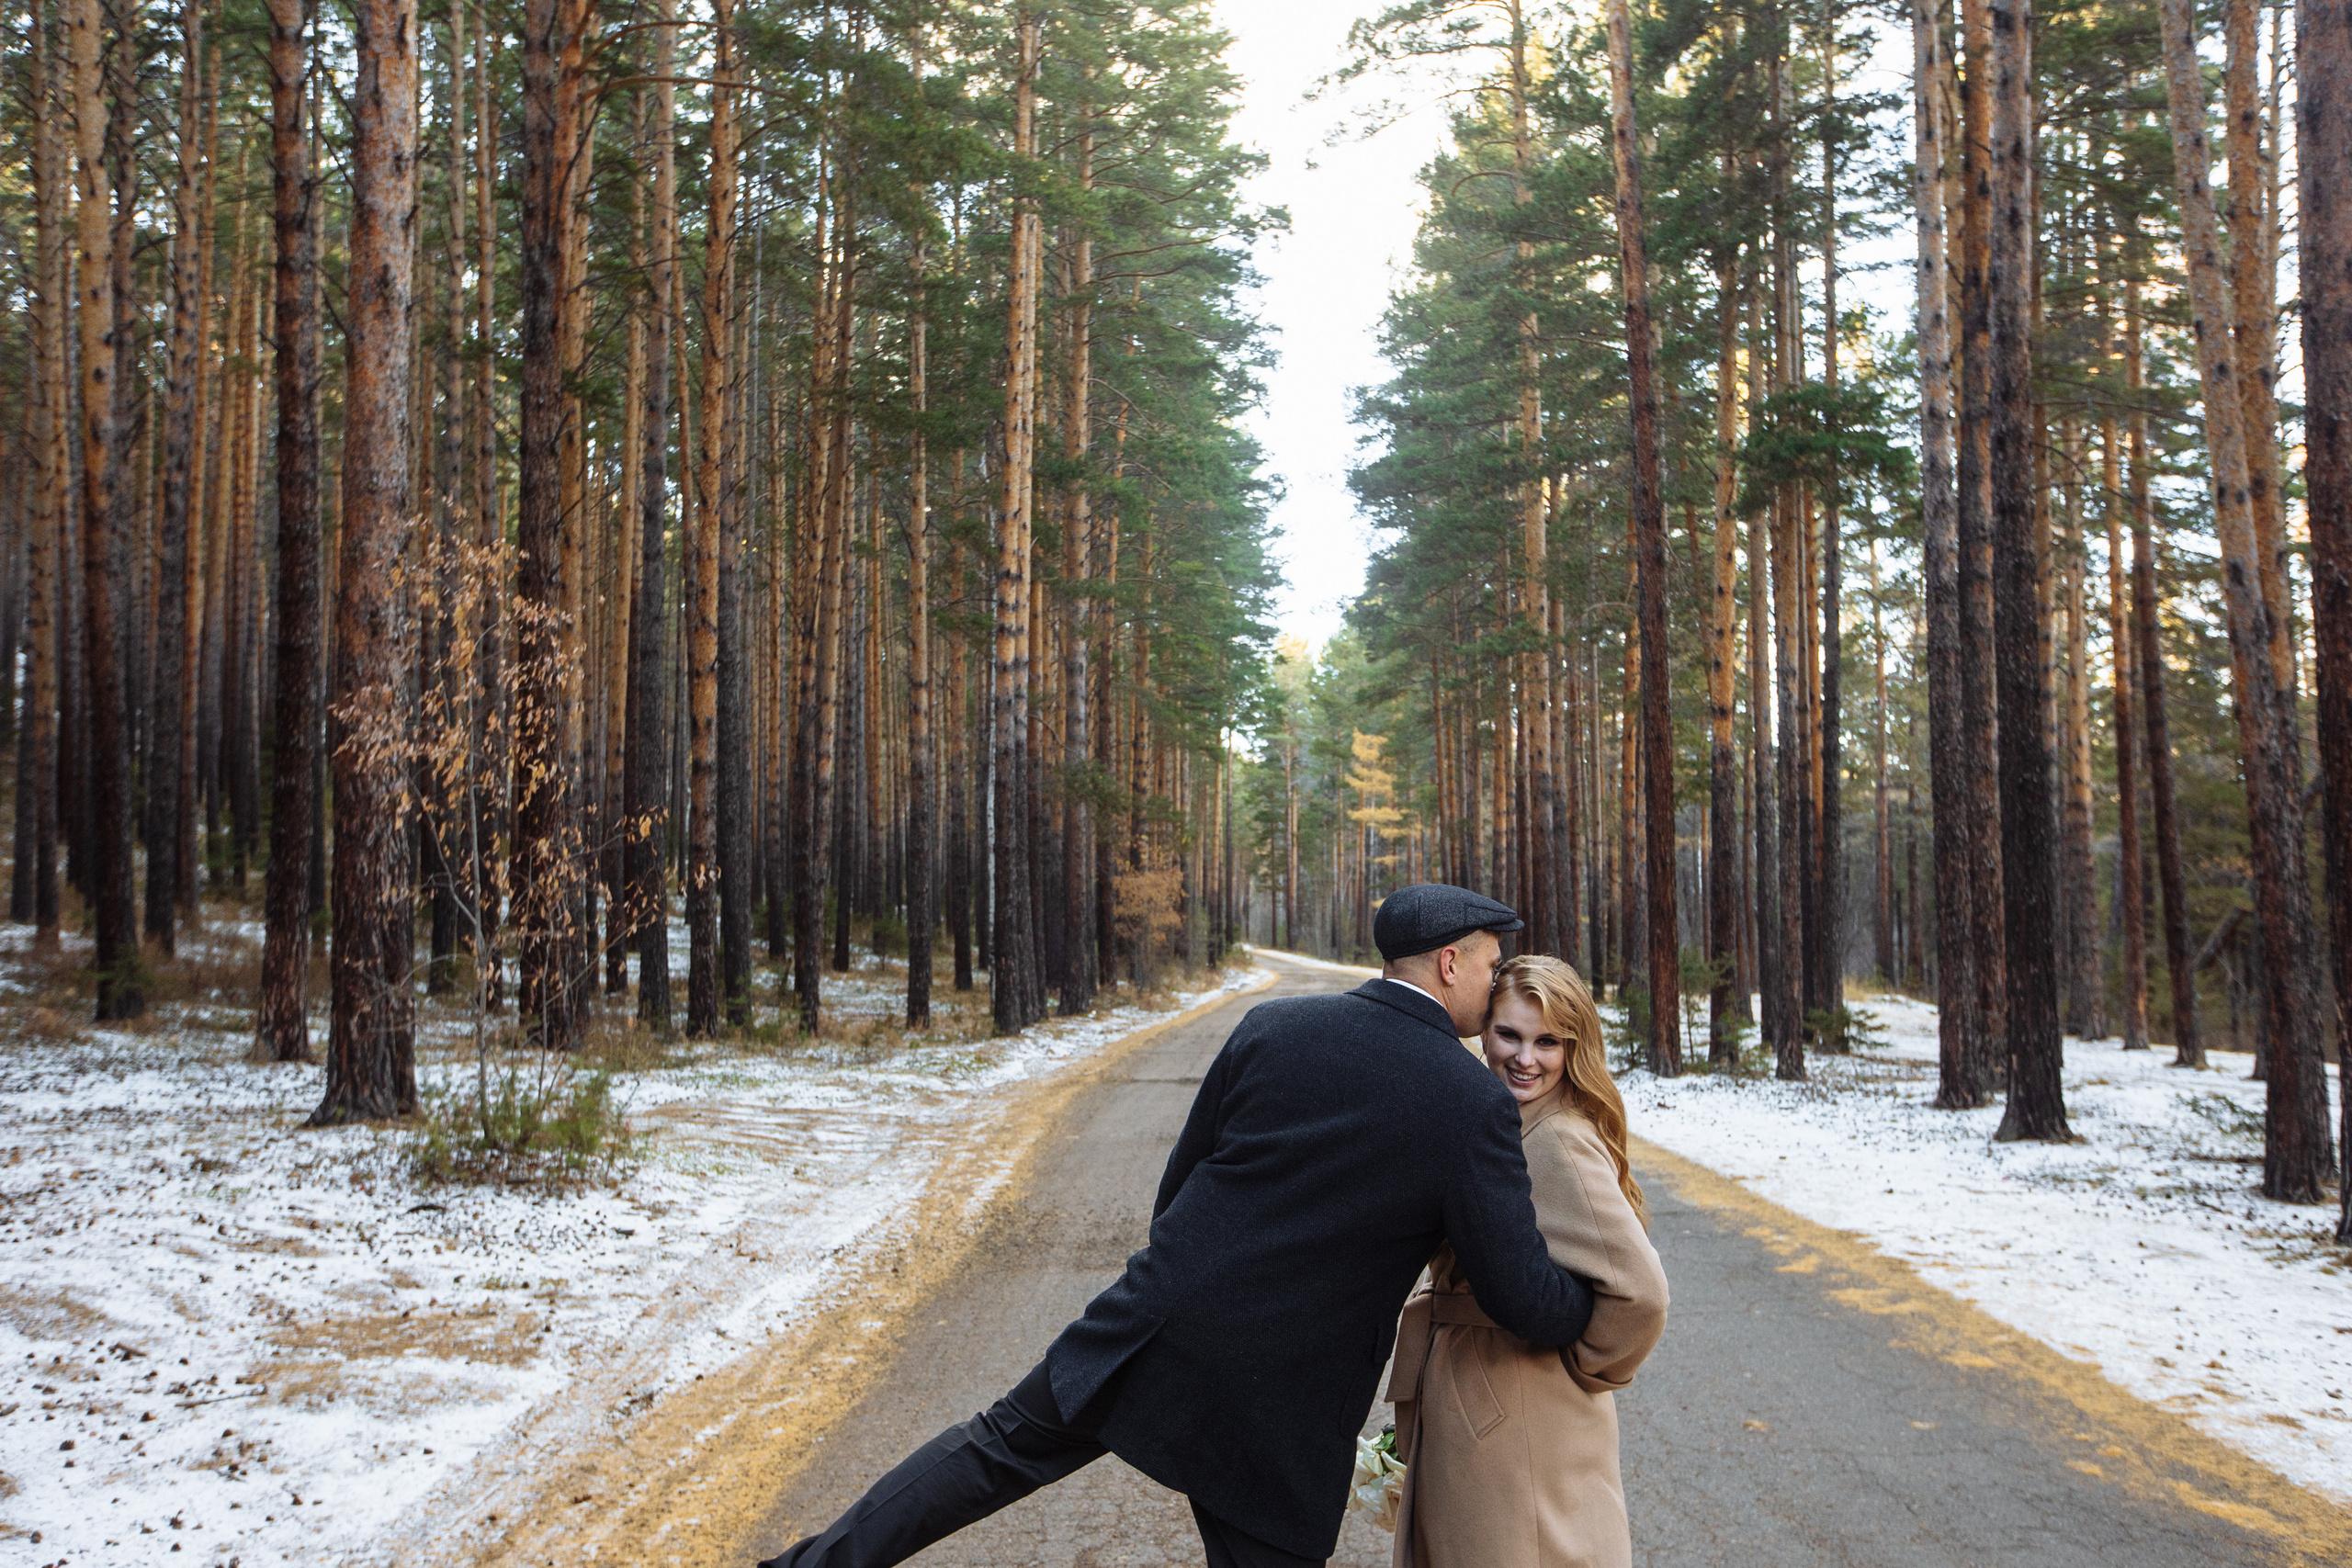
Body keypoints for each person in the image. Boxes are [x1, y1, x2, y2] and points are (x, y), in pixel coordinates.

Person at [759, 884, 1598, 1568]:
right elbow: (1518, 1292)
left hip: (1158, 1317)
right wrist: (1592, 1309)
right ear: (1450, 962)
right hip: (1282, 1396)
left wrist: (1182, 1283)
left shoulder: (1275, 1026)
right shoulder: (1472, 1101)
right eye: (1491, 966)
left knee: (994, 1449)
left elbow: (1180, 1184)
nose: (1495, 985)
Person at [1385, 954, 1669, 1568]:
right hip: (1479, 1395)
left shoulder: (1558, 1139)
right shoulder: (1498, 1121)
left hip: (1521, 1409)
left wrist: (1583, 1368)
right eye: (1509, 1034)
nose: (1525, 1057)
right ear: (1482, 1031)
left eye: (1548, 1042)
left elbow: (1642, 1295)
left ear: (1573, 1048)